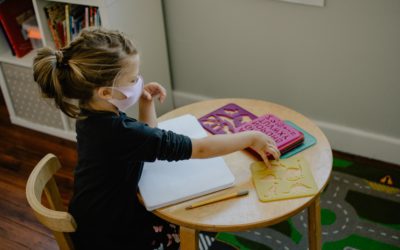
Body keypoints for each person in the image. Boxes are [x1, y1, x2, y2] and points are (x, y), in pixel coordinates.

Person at [33, 28, 280, 250]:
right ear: (106, 92)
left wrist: (145, 102)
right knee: (200, 225)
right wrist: (250, 138)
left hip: (94, 217)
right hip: (113, 236)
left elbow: (146, 141)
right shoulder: (119, 132)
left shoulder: (90, 115)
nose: (138, 82)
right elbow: (201, 149)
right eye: (133, 79)